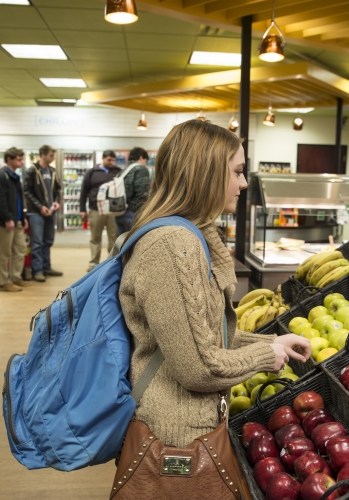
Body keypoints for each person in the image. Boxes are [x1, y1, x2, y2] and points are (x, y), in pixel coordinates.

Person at [118, 120, 310, 450]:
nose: (244, 182)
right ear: (205, 174)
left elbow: (203, 335)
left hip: (193, 426)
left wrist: (273, 340)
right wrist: (265, 355)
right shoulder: (172, 246)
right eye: (237, 172)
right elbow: (198, 368)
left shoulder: (191, 235)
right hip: (173, 439)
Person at [0, 147, 29, 292]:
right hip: (4, 222)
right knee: (3, 252)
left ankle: (15, 277)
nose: (21, 162)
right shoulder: (1, 176)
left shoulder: (15, 176)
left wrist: (23, 217)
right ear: (9, 159)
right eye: (19, 159)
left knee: (20, 249)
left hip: (17, 219)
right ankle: (2, 281)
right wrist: (7, 218)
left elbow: (19, 200)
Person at [23, 145, 63, 282]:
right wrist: (40, 207)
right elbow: (27, 191)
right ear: (43, 155)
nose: (53, 158)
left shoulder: (52, 171)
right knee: (37, 242)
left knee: (48, 241)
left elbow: (58, 189)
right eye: (51, 155)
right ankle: (37, 270)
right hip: (36, 213)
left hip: (51, 212)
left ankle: (46, 267)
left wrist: (57, 202)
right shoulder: (32, 171)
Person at [79, 150, 121, 272]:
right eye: (109, 160)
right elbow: (84, 191)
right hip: (95, 210)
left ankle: (112, 262)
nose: (111, 162)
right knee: (95, 237)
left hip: (112, 210)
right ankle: (93, 263)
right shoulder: (92, 172)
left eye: (113, 160)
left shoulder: (118, 172)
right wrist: (82, 209)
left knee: (113, 237)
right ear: (103, 159)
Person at [116, 146, 150, 235]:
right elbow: (143, 194)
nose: (145, 163)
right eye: (145, 160)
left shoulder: (123, 170)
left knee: (121, 244)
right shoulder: (141, 169)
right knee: (133, 245)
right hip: (132, 213)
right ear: (141, 157)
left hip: (119, 211)